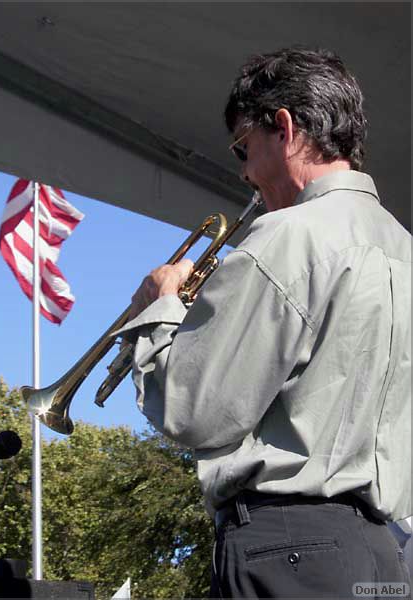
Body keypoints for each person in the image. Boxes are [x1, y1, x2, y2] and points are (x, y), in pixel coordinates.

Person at [117, 47, 411, 598]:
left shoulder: (285, 236)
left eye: (243, 147)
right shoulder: (404, 247)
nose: (244, 172)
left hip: (287, 547)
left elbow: (190, 412)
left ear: (284, 128)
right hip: (383, 553)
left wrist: (161, 308)